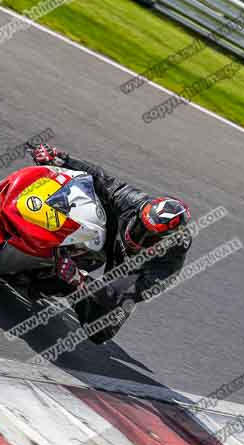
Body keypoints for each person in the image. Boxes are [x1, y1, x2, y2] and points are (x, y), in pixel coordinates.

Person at [30, 144, 193, 344]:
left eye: (148, 237)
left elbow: (123, 293)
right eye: (140, 227)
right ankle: (49, 231)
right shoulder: (135, 203)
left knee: (100, 331)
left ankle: (65, 286)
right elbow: (101, 178)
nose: (139, 235)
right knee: (92, 192)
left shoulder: (166, 266)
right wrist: (59, 158)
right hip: (111, 238)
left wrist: (80, 280)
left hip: (126, 273)